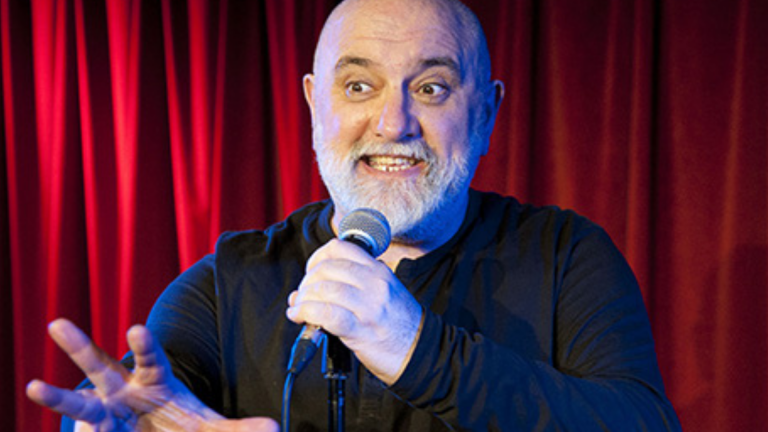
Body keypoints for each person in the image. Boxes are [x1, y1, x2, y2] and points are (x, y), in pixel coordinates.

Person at [27, 0, 682, 430]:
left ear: (486, 112)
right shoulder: (231, 281)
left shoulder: (566, 257)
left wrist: (419, 350)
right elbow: (143, 403)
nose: (393, 122)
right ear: (316, 106)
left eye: (431, 88)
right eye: (359, 86)